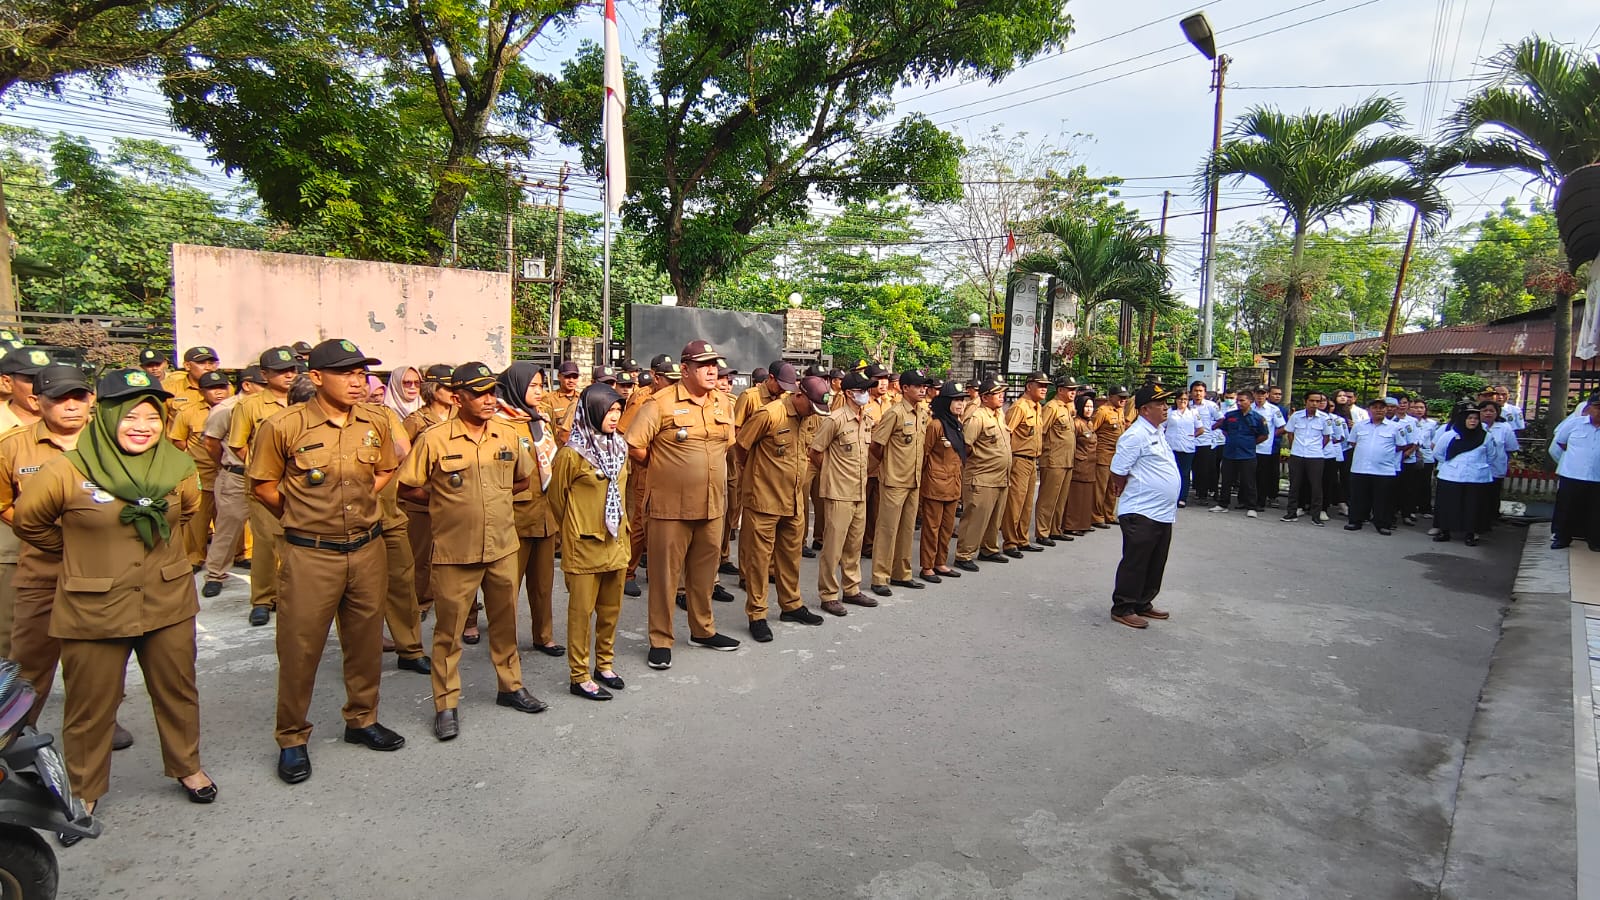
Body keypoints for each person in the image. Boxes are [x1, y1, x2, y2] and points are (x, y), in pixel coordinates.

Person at [13, 368, 216, 831]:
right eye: (129, 415)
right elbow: (31, 523)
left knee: (178, 691)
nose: (141, 425)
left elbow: (186, 513)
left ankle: (187, 766)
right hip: (93, 606)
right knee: (90, 705)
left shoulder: (178, 468)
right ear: (105, 417)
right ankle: (84, 789)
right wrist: (81, 555)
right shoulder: (67, 470)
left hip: (167, 600)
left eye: (151, 416)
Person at [250, 339, 407, 783]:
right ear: (316, 377)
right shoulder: (283, 425)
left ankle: (362, 719)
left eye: (362, 373)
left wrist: (359, 506)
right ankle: (292, 737)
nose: (357, 381)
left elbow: (384, 469)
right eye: (346, 373)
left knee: (364, 641)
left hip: (366, 547)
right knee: (300, 650)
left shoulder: (374, 422)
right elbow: (262, 484)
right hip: (310, 553)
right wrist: (302, 516)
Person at [398, 362, 544, 741]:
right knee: (448, 633)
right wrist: (445, 500)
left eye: (490, 392)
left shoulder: (507, 435)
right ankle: (446, 703)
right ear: (457, 397)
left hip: (501, 546)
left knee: (506, 622)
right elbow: (407, 486)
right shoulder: (434, 439)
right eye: (478, 393)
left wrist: (487, 500)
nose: (487, 400)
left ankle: (510, 687)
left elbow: (523, 478)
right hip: (454, 550)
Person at [624, 341, 741, 670]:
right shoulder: (659, 403)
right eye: (703, 365)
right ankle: (660, 639)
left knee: (705, 574)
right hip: (669, 507)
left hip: (711, 505)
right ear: (685, 369)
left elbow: (726, 444)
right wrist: (666, 467)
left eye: (714, 364)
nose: (712, 370)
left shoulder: (722, 402)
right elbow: (634, 446)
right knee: (664, 577)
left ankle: (702, 630)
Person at [548, 381, 631, 699]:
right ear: (592, 411)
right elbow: (557, 500)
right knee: (582, 612)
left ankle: (604, 664)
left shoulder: (620, 447)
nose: (614, 417)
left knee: (611, 608)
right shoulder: (572, 454)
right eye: (608, 411)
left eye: (618, 410)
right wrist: (575, 527)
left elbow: (623, 494)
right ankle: (579, 674)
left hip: (616, 542)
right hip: (585, 544)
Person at [735, 366, 826, 639]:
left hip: (793, 500)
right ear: (799, 394)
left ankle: (791, 604)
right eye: (811, 405)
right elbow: (740, 447)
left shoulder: (810, 416)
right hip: (764, 500)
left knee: (790, 557)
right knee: (759, 561)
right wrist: (753, 480)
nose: (813, 412)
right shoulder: (770, 414)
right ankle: (757, 614)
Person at [494, 363, 564, 658]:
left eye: (541, 385)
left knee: (543, 583)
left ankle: (543, 635)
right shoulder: (499, 424)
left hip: (545, 514)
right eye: (533, 386)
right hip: (515, 516)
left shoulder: (541, 419)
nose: (539, 391)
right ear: (516, 387)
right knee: (508, 587)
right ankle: (505, 643)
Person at [228, 346, 300, 626]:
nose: (288, 375)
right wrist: (262, 468)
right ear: (264, 374)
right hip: (265, 484)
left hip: (297, 482)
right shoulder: (250, 405)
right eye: (281, 371)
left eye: (292, 369)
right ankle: (262, 599)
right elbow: (237, 444)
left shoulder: (306, 402)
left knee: (294, 542)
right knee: (266, 542)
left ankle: (290, 594)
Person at [1108, 384, 1181, 629]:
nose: (1165, 408)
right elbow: (1118, 471)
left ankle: (1143, 601)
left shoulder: (1157, 431)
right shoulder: (1135, 435)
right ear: (1144, 409)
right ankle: (1123, 606)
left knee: (1156, 559)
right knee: (1136, 561)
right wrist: (1123, 489)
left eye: (1166, 403)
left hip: (1161, 512)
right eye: (1160, 404)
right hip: (1141, 511)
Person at [809, 370, 877, 615]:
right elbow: (815, 451)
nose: (867, 394)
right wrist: (830, 473)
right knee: (833, 546)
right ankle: (828, 594)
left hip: (859, 490)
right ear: (850, 393)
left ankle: (852, 588)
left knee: (854, 545)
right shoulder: (835, 419)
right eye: (863, 390)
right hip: (839, 491)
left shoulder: (866, 419)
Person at [197, 366, 260, 598]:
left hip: (266, 476)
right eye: (261, 383)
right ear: (247, 385)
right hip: (236, 474)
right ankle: (215, 574)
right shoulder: (227, 409)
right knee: (228, 526)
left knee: (269, 528)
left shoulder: (276, 406)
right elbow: (211, 444)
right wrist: (226, 465)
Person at [401, 364, 454, 624]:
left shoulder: (458, 417)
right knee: (421, 555)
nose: (453, 391)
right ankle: (420, 600)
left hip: (453, 500)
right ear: (433, 390)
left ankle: (450, 597)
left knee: (452, 554)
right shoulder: (415, 421)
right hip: (422, 498)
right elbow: (402, 459)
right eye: (447, 387)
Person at [869, 369, 930, 595]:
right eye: (918, 386)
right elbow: (876, 445)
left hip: (913, 479)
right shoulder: (894, 413)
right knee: (887, 529)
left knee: (906, 530)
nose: (923, 389)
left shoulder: (922, 413)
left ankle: (901, 573)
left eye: (924, 386)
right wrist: (889, 466)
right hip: (894, 480)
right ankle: (880, 577)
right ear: (905, 388)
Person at [167, 370, 231, 568]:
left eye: (222, 387)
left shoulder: (238, 409)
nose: (218, 392)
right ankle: (195, 557)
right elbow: (178, 440)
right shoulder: (188, 412)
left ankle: (241, 554)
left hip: (230, 472)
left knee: (232, 519)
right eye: (212, 389)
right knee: (197, 521)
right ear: (202, 392)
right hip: (201, 474)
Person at [953, 377, 1011, 571]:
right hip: (982, 476)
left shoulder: (998, 415)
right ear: (985, 397)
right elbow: (966, 446)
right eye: (997, 393)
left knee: (995, 517)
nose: (1001, 396)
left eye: (1002, 392)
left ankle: (989, 548)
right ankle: (964, 554)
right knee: (975, 518)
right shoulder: (977, 417)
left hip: (1000, 476)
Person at [919, 381, 967, 582]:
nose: (960, 404)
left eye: (962, 400)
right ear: (945, 402)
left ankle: (940, 562)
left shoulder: (957, 425)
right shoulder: (936, 425)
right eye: (955, 400)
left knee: (947, 527)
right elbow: (924, 454)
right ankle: (927, 566)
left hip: (954, 484)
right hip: (935, 484)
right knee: (932, 527)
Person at [1344, 399, 1413, 535]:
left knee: (1383, 499)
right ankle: (1355, 521)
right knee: (1358, 497)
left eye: (1382, 407)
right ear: (1369, 410)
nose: (1378, 410)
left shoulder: (1395, 427)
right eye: (1375, 407)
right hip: (1360, 468)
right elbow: (1353, 442)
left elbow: (1401, 445)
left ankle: (1382, 524)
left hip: (1384, 469)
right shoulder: (1359, 426)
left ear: (1386, 410)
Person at [1432, 405, 1494, 546]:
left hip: (1476, 477)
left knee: (1472, 506)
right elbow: (1438, 453)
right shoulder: (1450, 435)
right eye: (1469, 418)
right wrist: (1453, 463)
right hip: (1451, 476)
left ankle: (1470, 534)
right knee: (1449, 505)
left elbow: (1491, 455)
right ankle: (1445, 531)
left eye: (1476, 419)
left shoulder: (1486, 437)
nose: (1473, 421)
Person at [1001, 373, 1049, 556]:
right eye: (1040, 385)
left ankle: (1022, 538)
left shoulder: (1037, 407)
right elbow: (1007, 433)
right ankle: (1010, 542)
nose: (1044, 388)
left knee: (1028, 502)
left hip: (1032, 460)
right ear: (1029, 386)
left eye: (1045, 385)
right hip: (1019, 458)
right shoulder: (1019, 407)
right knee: (1015, 502)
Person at [1551, 395, 1600, 551]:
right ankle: (1562, 538)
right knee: (1566, 508)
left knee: (1595, 511)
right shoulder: (1574, 424)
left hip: (1597, 477)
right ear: (1589, 408)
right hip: (1572, 474)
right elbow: (1560, 442)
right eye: (1598, 406)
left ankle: (1595, 540)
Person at [1210, 391, 1267, 517]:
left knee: (1249, 481)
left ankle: (1251, 506)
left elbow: (1264, 435)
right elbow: (1224, 430)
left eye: (1242, 400)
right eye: (1238, 400)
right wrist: (1233, 440)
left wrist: (1249, 443)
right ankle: (1223, 504)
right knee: (1226, 480)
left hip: (1247, 454)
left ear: (1250, 401)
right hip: (1230, 453)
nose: (1239, 403)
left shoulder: (1257, 418)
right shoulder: (1230, 415)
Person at [1035, 375, 1078, 541]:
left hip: (1067, 459)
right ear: (1060, 390)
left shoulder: (1067, 407)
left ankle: (1055, 529)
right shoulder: (1052, 407)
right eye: (1070, 389)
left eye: (1074, 390)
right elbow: (1042, 431)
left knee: (1061, 498)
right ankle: (1043, 532)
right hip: (1054, 459)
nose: (1073, 393)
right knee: (1048, 497)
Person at [1281, 391, 1330, 526]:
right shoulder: (1296, 416)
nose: (1314, 404)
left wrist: (1316, 448)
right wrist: (1294, 447)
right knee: (1295, 485)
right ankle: (1291, 513)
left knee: (1316, 487)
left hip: (1315, 456)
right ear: (1305, 401)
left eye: (1317, 401)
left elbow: (1326, 437)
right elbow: (1290, 433)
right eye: (1312, 401)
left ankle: (1316, 516)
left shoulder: (1324, 418)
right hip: (1297, 454)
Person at [1062, 393, 1100, 536]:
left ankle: (1084, 523)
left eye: (1091, 406)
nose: (1089, 409)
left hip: (1090, 464)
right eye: (1086, 406)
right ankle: (1071, 525)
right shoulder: (1076, 423)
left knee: (1086, 495)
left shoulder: (1089, 423)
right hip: (1079, 463)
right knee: (1076, 497)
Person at [1091, 386, 1129, 527]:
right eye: (1120, 397)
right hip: (1103, 455)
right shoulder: (1102, 411)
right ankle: (1096, 516)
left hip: (1116, 456)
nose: (1123, 400)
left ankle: (1109, 514)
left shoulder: (1120, 411)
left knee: (1112, 488)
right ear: (1111, 397)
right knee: (1100, 488)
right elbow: (1091, 430)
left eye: (1125, 397)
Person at [1162, 390, 1202, 509]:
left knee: (1184, 474)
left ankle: (1182, 498)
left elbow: (1200, 429)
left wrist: (1191, 436)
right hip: (1171, 447)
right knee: (1171, 473)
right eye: (1180, 399)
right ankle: (1170, 497)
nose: (1182, 402)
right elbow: (1161, 427)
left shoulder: (1193, 413)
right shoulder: (1170, 412)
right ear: (1176, 400)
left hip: (1187, 447)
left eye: (1185, 399)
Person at [162, 346, 225, 417]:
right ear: (187, 365)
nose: (208, 368)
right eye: (201, 363)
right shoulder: (169, 390)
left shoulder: (226, 388)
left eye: (211, 363)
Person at [1253, 385, 1287, 510]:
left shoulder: (1273, 410)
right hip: (1249, 448)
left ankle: (1260, 501)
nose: (1260, 396)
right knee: (1249, 475)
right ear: (1254, 394)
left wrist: (1271, 436)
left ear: (1267, 395)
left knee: (1263, 476)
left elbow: (1282, 427)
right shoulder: (1249, 407)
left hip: (1265, 448)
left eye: (1263, 393)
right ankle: (1246, 500)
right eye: (1258, 393)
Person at [1188, 381, 1222, 504]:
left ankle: (1203, 495)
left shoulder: (1211, 405)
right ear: (1191, 393)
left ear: (1205, 393)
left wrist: (1211, 429)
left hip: (1205, 442)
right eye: (1195, 391)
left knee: (1205, 470)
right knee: (1192, 469)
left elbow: (1221, 419)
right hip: (1189, 442)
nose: (1198, 393)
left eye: (1200, 391)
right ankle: (1192, 492)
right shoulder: (1187, 405)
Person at [546, 360, 582, 444]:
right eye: (567, 377)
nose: (571, 380)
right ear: (559, 376)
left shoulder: (582, 398)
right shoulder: (549, 399)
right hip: (558, 447)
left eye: (574, 377)